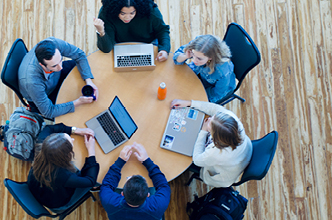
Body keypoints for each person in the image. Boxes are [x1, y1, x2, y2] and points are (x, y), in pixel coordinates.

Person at [170, 99, 253, 188]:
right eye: (213, 117)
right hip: (243, 153)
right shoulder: (231, 119)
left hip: (222, 175)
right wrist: (190, 103)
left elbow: (197, 159)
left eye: (210, 125)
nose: (209, 119)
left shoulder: (217, 153)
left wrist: (203, 131)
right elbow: (215, 109)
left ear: (215, 137)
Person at [18, 37, 99, 119]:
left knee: (84, 70)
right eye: (54, 65)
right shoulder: (32, 81)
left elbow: (79, 55)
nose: (61, 67)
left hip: (54, 77)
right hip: (45, 94)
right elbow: (49, 112)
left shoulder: (53, 44)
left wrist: (88, 81)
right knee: (76, 116)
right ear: (42, 65)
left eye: (60, 60)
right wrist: (78, 102)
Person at [27, 127, 99, 209]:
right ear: (65, 155)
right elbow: (90, 181)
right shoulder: (62, 175)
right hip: (54, 200)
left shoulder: (43, 146)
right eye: (70, 142)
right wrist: (91, 150)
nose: (73, 140)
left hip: (36, 186)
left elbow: (48, 128)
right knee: (94, 182)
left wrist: (77, 130)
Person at [99, 143, 171, 220]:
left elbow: (106, 185)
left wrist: (120, 161)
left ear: (122, 193)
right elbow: (163, 186)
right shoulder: (158, 206)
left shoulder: (109, 202)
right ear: (148, 195)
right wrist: (147, 161)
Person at [93, 0, 170, 61]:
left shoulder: (151, 10)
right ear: (115, 10)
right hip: (119, 45)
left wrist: (164, 49)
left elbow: (162, 30)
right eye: (122, 14)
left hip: (149, 43)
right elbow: (106, 49)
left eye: (132, 13)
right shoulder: (106, 12)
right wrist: (101, 31)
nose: (127, 17)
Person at [173, 35, 236, 103]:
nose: (194, 60)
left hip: (210, 88)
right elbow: (176, 59)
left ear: (210, 57)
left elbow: (217, 93)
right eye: (193, 55)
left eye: (199, 58)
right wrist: (185, 56)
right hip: (198, 73)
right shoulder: (199, 45)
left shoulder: (222, 72)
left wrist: (194, 99)